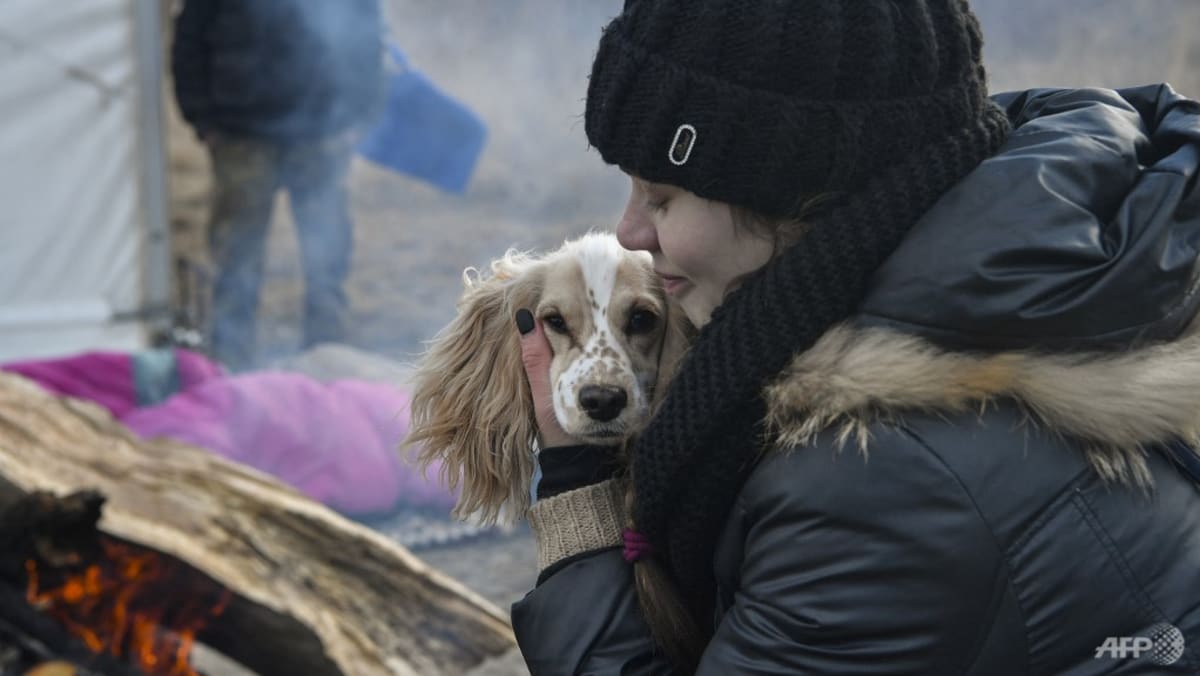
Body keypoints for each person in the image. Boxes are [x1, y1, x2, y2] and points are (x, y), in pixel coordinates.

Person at [512, 1, 1200, 673]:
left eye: (661, 197)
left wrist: (578, 500)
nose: (629, 231)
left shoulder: (881, 476)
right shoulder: (1020, 288)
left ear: (793, 194)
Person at [171, 0, 384, 371]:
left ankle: (329, 362)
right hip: (241, 136)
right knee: (236, 257)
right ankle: (230, 365)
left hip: (321, 134)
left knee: (326, 259)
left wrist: (358, 118)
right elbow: (189, 41)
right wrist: (202, 119)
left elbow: (368, 40)